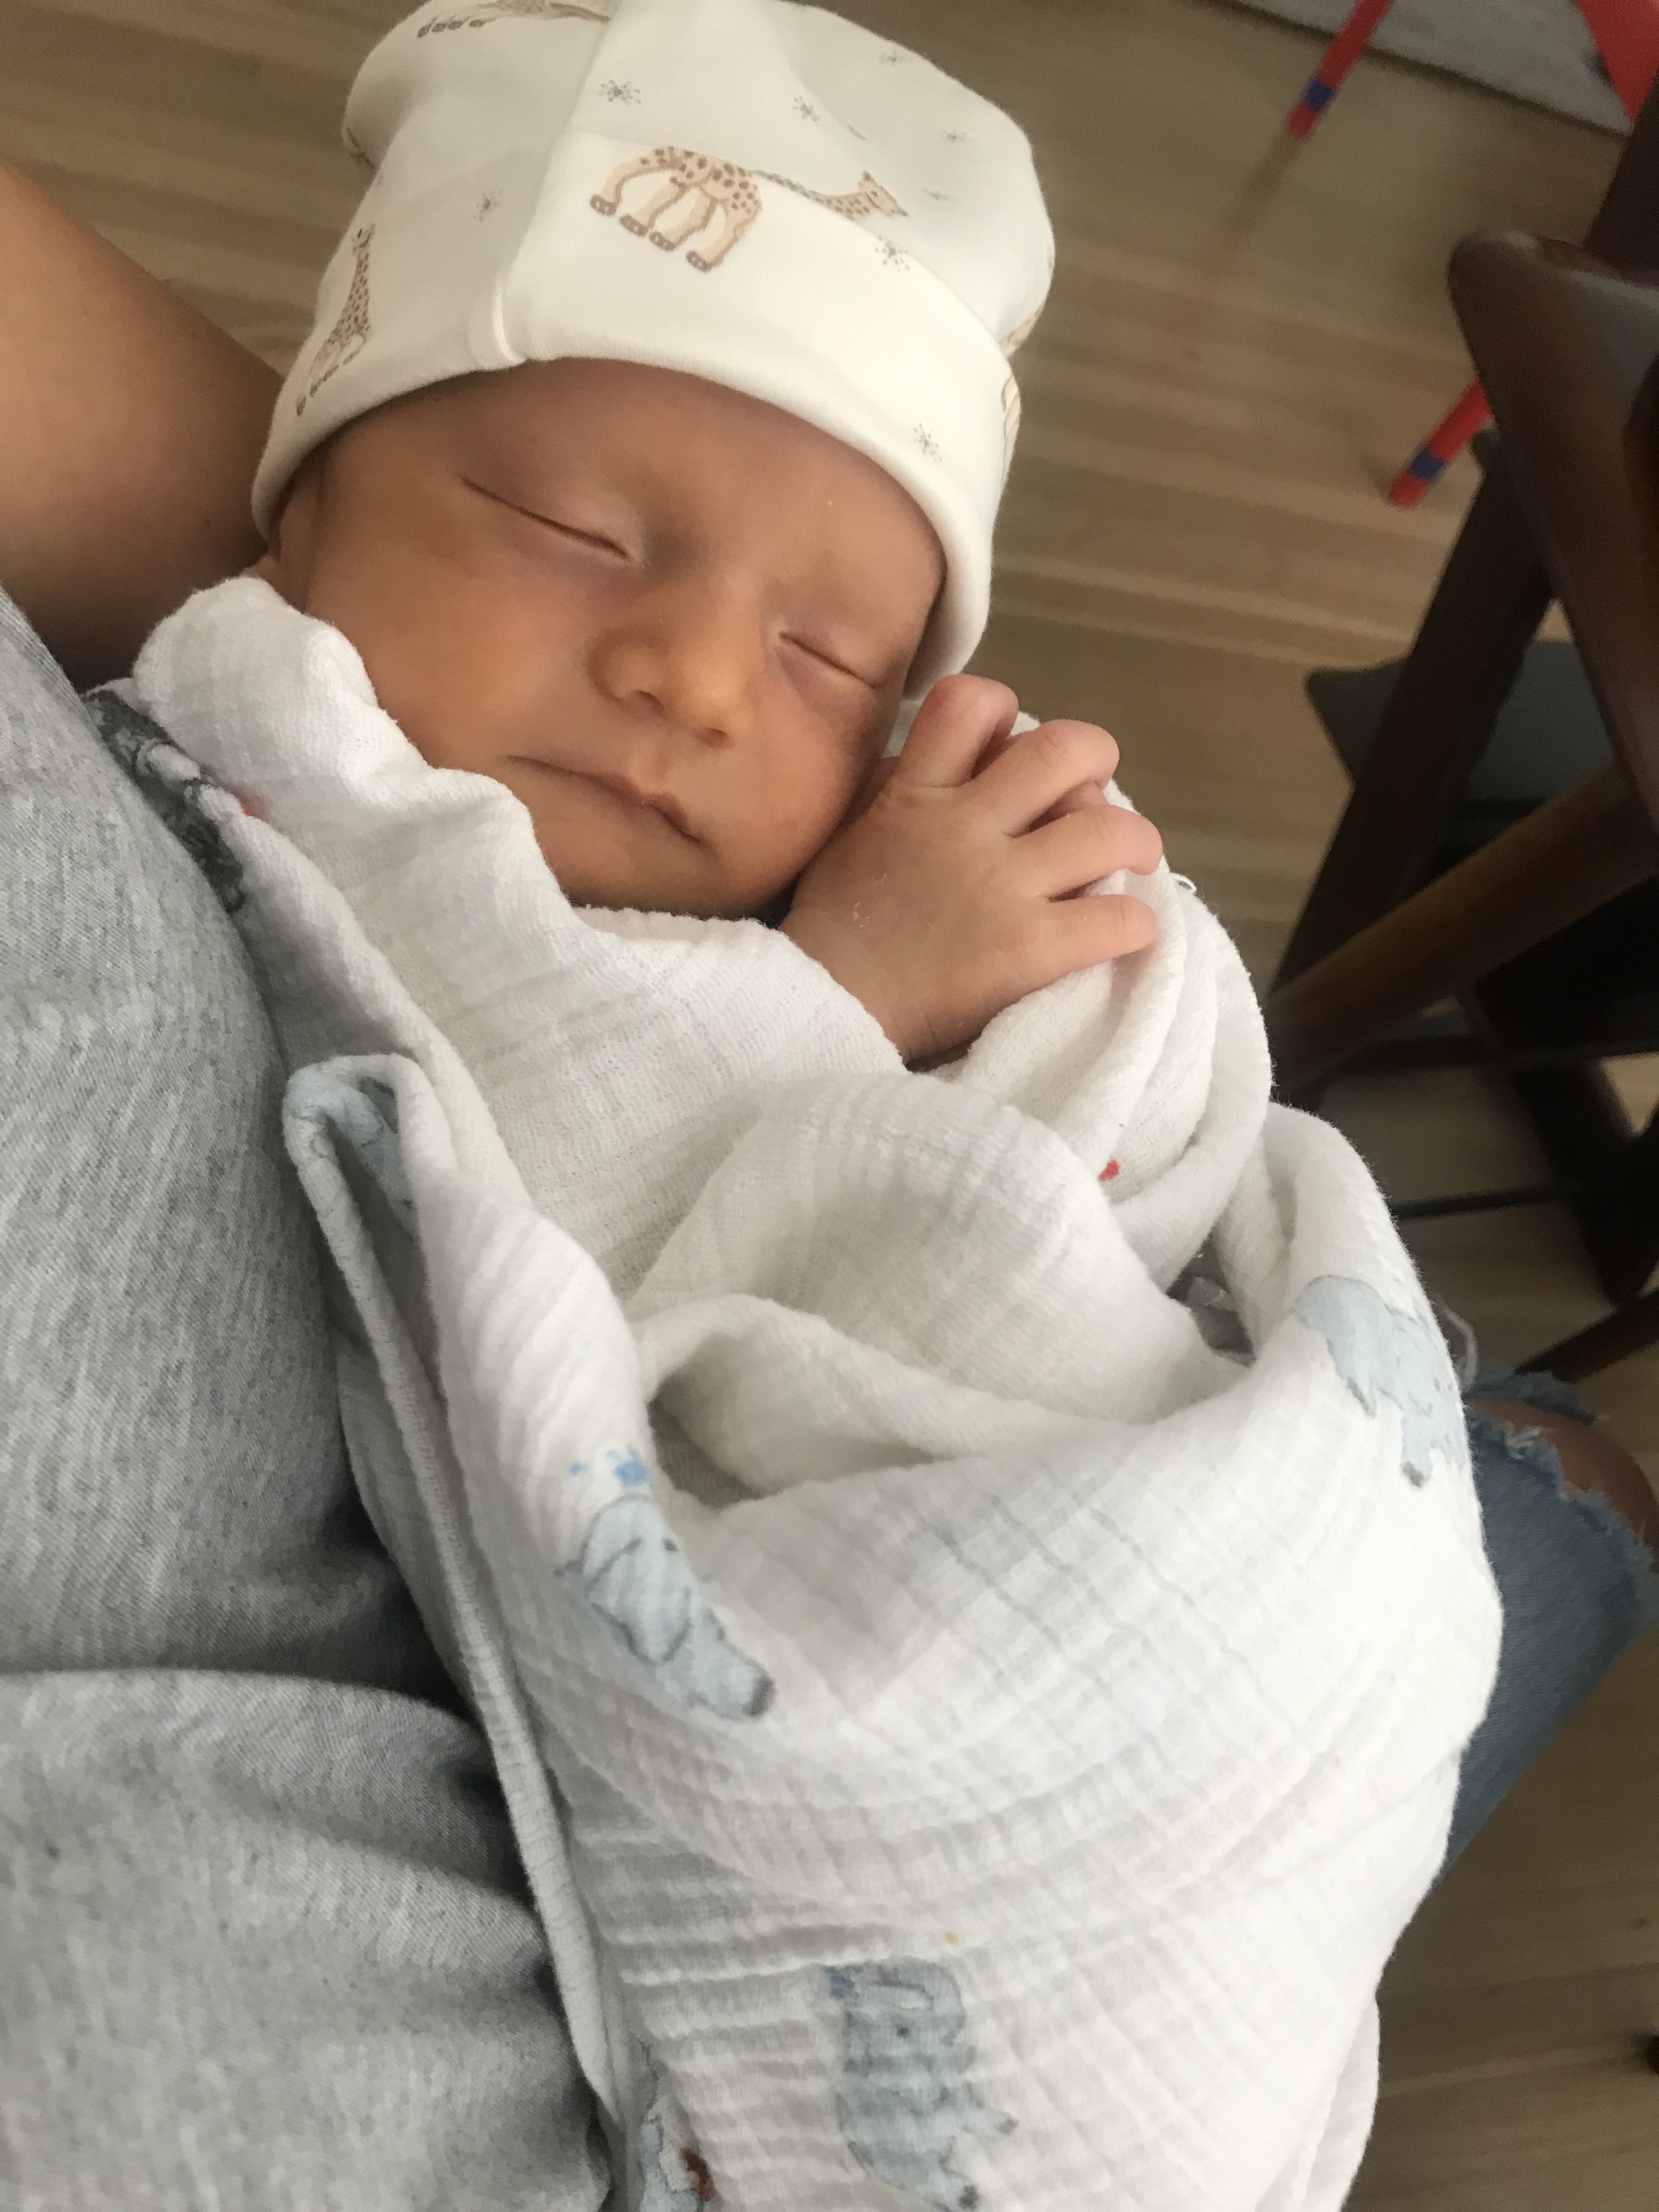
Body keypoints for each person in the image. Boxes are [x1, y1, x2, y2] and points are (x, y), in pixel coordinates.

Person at [1, 15, 1654, 2212]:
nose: (695, 675)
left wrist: (945, 978)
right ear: (287, 529)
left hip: (1138, 1600)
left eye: (828, 662)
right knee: (1558, 1482)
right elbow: (564, 1138)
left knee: (1509, 1489)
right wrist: (823, 1007)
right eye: (567, 526)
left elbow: (1116, 1121)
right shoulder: (291, 752)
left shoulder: (810, 855)